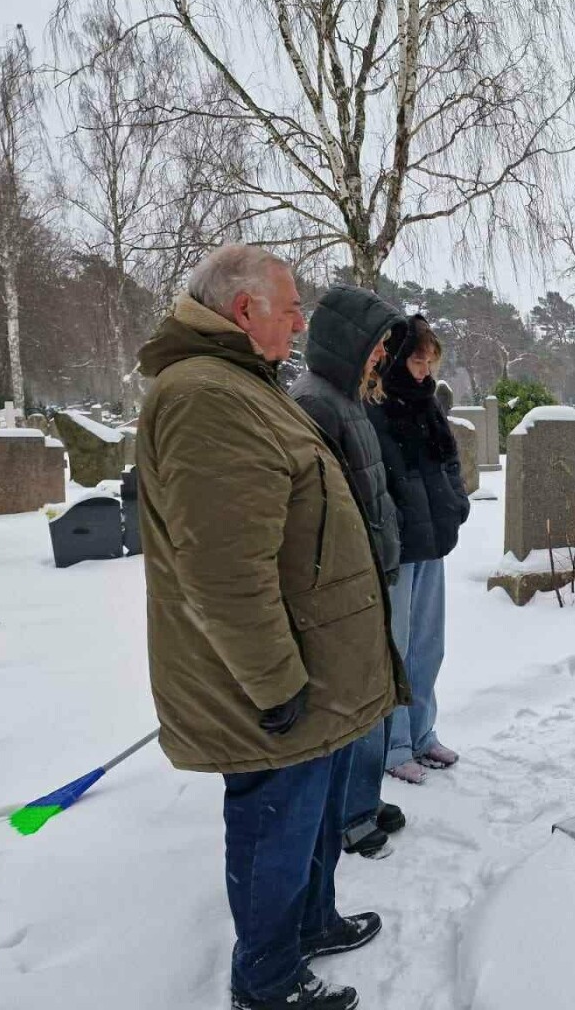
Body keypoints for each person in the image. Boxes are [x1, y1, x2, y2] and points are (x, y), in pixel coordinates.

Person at [136, 244, 403, 1010]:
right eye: (289, 307)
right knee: (274, 829)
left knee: (310, 816)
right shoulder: (207, 398)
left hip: (310, 660)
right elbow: (225, 568)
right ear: (244, 309)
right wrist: (276, 682)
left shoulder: (245, 384)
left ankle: (311, 923)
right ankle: (266, 980)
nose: (300, 323)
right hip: (272, 679)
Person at [290, 284, 410, 859]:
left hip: (369, 572)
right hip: (346, 579)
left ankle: (362, 796)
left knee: (375, 694)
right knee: (354, 700)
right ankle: (349, 813)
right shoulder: (315, 402)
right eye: (377, 343)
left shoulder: (345, 397)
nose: (382, 354)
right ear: (349, 340)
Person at [369, 315, 470, 784]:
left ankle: (422, 733)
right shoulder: (375, 406)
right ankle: (393, 745)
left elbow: (449, 462)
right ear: (394, 359)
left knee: (429, 646)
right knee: (398, 647)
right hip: (398, 551)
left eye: (430, 361)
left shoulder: (428, 404)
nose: (425, 370)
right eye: (416, 360)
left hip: (432, 544)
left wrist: (455, 505)